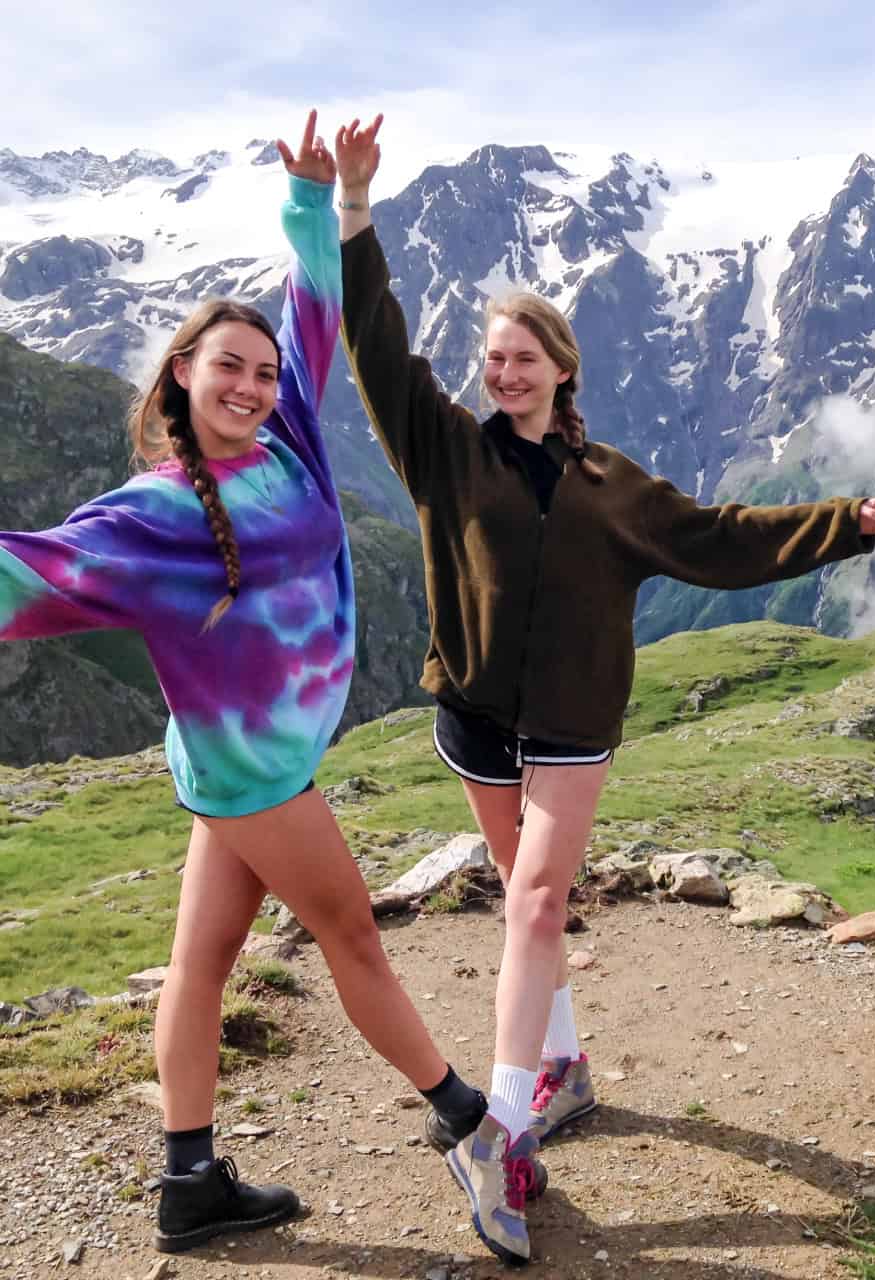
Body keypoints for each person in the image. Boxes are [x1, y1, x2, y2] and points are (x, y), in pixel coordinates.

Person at [334, 114, 875, 1267]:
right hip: (474, 718)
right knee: (523, 897)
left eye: (524, 356)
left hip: (570, 727)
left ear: (561, 368)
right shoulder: (444, 448)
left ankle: (501, 1135)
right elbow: (373, 341)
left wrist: (844, 523)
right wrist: (354, 211)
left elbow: (723, 537)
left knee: (534, 905)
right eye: (493, 356)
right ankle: (559, 1067)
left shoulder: (615, 487)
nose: (503, 371)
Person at [0, 113, 491, 1255]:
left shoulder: (288, 439)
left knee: (201, 962)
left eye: (264, 373)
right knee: (353, 935)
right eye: (229, 366)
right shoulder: (157, 513)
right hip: (256, 776)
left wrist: (322, 201)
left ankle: (189, 1184)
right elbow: (28, 570)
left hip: (237, 769)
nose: (254, 385)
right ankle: (464, 1114)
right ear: (182, 372)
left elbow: (313, 311)